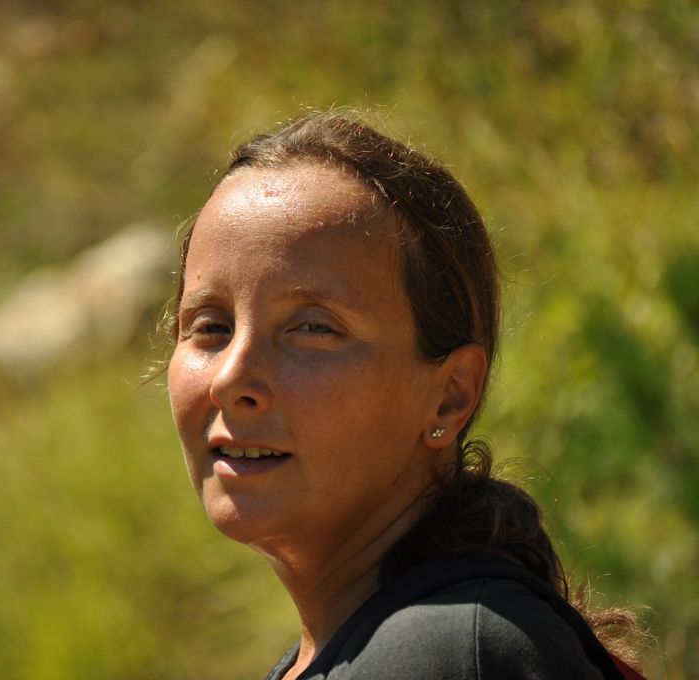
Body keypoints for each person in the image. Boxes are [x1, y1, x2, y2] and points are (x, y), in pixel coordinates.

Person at [165, 110, 643, 679]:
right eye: (210, 326)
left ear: (450, 396)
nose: (230, 378)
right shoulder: (368, 648)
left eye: (313, 328)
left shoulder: (442, 654)